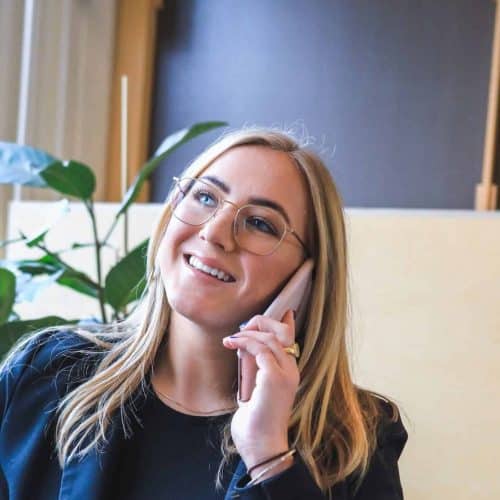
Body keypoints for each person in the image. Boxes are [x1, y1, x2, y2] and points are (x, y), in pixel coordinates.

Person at [0, 128, 407, 499]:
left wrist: (269, 458)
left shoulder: (356, 438)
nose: (214, 232)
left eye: (261, 224)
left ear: (307, 275)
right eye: (205, 197)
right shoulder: (44, 374)